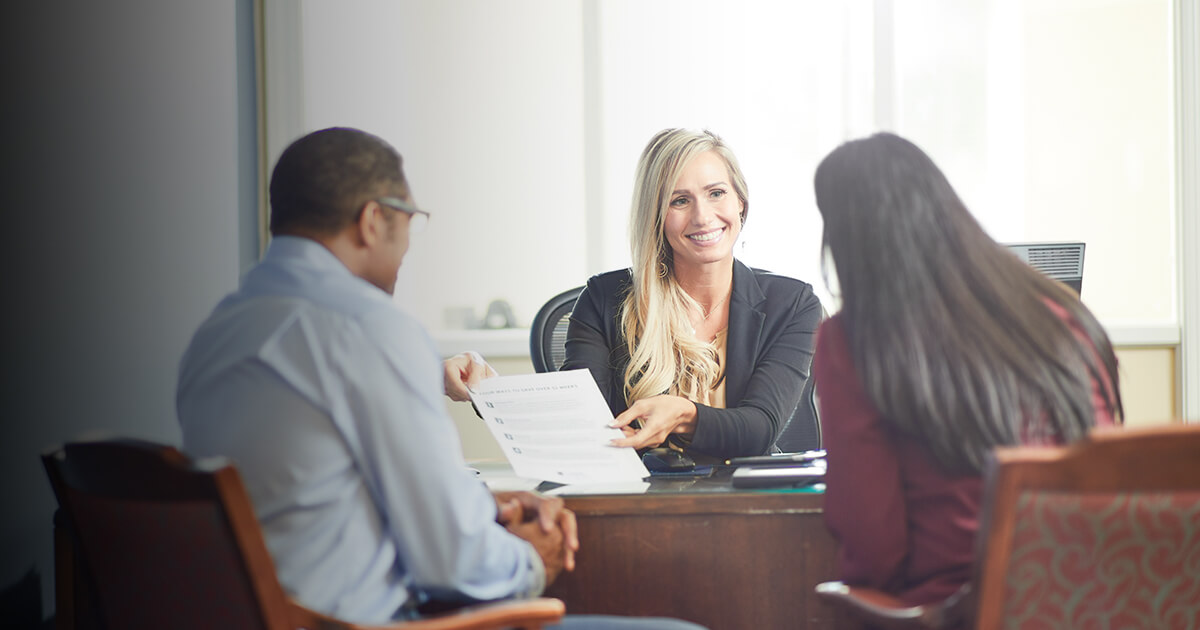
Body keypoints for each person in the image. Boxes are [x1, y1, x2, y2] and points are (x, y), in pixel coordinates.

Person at [177, 127, 704, 630]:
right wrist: (530, 561)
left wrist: (476, 504)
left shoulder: (217, 333)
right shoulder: (368, 327)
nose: (407, 246)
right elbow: (453, 562)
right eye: (410, 219)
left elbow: (323, 491)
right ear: (373, 221)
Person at [810, 132, 1123, 607]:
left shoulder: (854, 340)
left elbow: (876, 549)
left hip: (959, 612)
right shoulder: (1064, 313)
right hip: (1098, 601)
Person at [561, 128, 823, 462]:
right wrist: (489, 393)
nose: (702, 216)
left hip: (745, 500)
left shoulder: (792, 305)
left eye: (716, 193)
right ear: (656, 216)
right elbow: (577, 417)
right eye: (680, 200)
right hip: (637, 498)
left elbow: (760, 428)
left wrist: (686, 415)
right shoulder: (604, 300)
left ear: (740, 202)